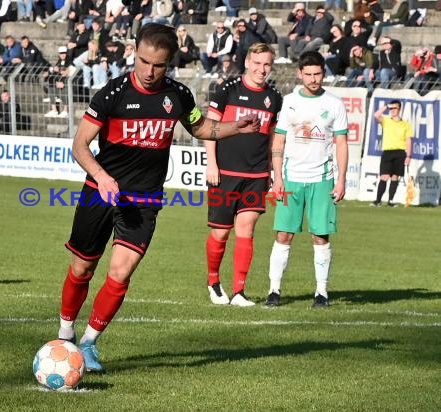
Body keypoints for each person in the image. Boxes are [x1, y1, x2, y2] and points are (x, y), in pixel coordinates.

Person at [58, 23, 259, 372]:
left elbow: (200, 128)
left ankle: (89, 343)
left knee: (121, 273)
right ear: (134, 53)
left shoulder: (178, 95)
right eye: (144, 62)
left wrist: (233, 128)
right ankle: (64, 334)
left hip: (145, 199)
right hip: (100, 193)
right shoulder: (112, 94)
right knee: (83, 266)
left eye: (159, 65)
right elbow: (80, 146)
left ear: (170, 63)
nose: (150, 72)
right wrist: (102, 177)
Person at [265, 51, 349, 308]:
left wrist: (341, 179)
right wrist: (277, 177)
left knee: (320, 236)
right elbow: (278, 141)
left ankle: (321, 293)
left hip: (322, 179)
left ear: (324, 73)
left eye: (318, 74)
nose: (313, 79)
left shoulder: (334, 104)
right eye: (308, 74)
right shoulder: (289, 101)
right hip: (291, 179)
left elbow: (341, 143)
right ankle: (274, 290)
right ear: (300, 74)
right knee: (283, 235)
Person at [204, 43, 283, 306]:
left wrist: (272, 171)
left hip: (256, 175)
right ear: (248, 62)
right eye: (258, 63)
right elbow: (211, 128)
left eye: (267, 64)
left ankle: (239, 291)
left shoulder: (274, 97)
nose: (262, 69)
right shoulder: (227, 89)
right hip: (224, 172)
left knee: (246, 231)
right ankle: (213, 282)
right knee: (221, 234)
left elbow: (272, 137)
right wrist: (211, 164)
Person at [370, 100, 412, 207]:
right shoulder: (386, 120)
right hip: (388, 152)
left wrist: (408, 155)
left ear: (399, 109)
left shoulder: (405, 124)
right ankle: (378, 200)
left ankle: (390, 201)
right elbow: (376, 115)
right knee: (384, 176)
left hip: (400, 152)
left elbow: (408, 140)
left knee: (395, 177)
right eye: (391, 108)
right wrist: (386, 106)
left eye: (395, 108)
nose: (393, 110)